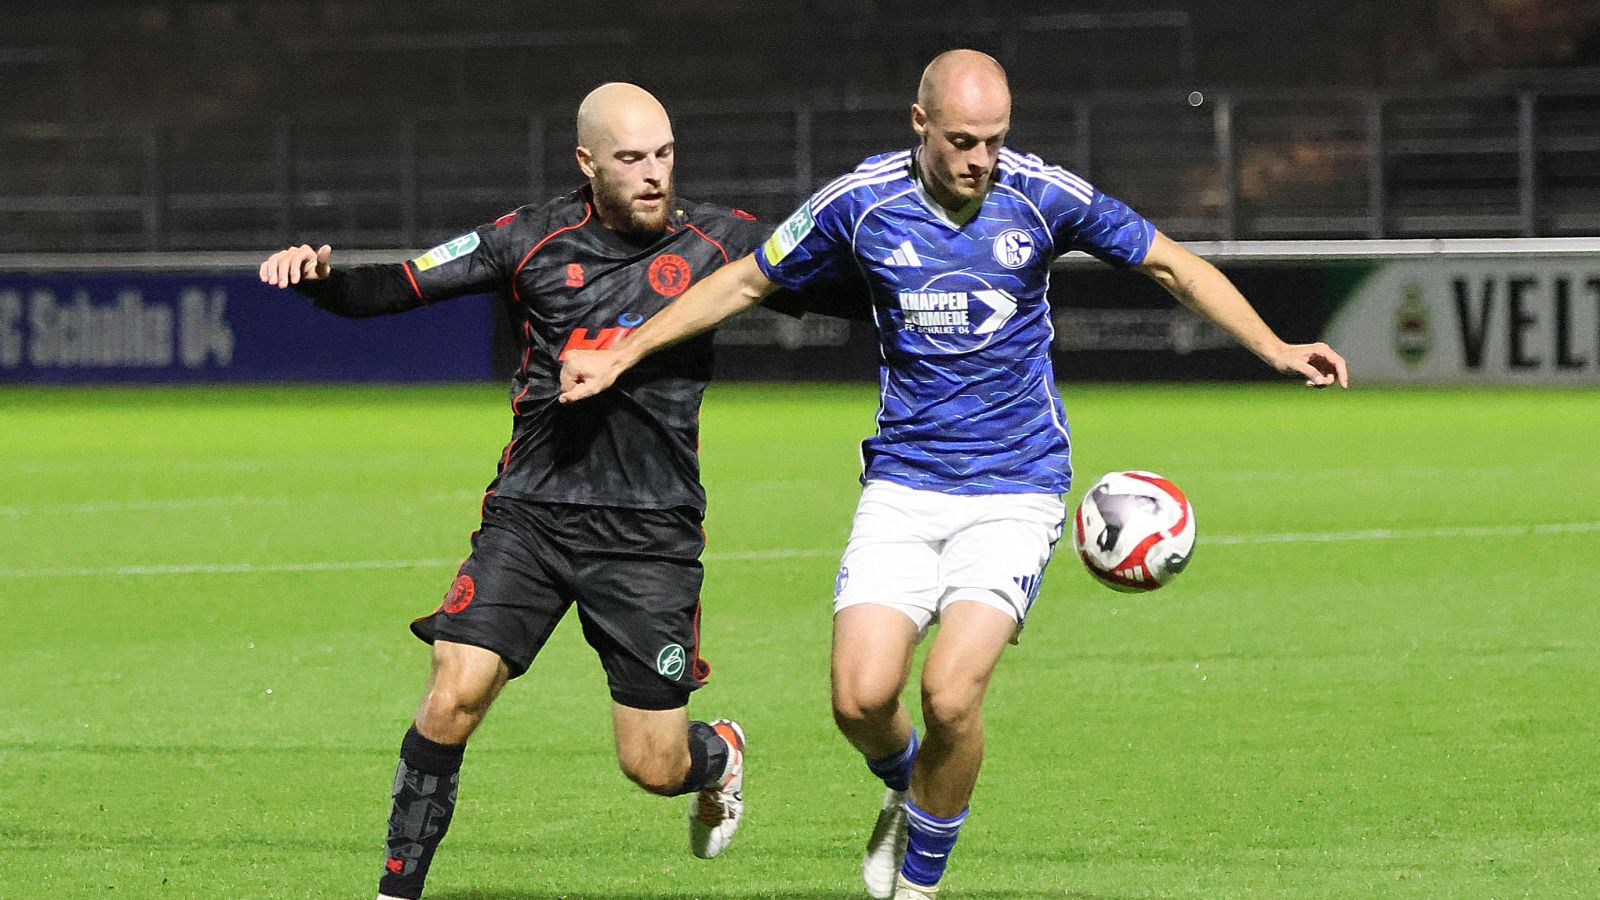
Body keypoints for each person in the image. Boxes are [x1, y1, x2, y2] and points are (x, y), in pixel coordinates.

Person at [557, 51, 1349, 899]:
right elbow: (747, 281)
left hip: (1016, 488)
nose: (980, 160)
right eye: (963, 140)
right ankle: (911, 786)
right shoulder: (860, 204)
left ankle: (919, 885)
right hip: (903, 484)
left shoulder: (1042, 196)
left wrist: (1275, 345)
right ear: (920, 124)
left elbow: (1172, 264)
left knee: (949, 694)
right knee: (860, 702)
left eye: (995, 141)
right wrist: (624, 352)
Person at [258, 82, 851, 900]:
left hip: (650, 534)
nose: (653, 175)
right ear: (587, 162)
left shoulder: (721, 244)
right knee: (451, 694)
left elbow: (840, 291)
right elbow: (397, 284)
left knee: (652, 765)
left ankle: (718, 754)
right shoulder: (530, 239)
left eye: (665, 155)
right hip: (531, 517)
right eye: (632, 158)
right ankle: (395, 890)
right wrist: (322, 279)